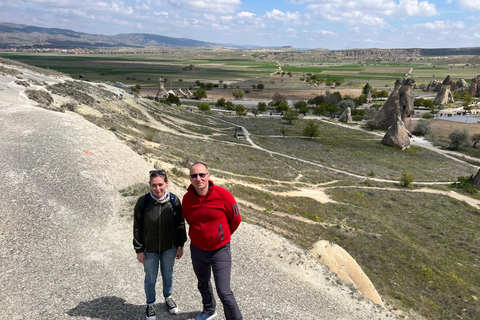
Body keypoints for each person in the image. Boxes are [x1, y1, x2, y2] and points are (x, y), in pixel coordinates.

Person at [182, 162, 243, 320]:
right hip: (197, 250)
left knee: (224, 291)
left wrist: (222, 236)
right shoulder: (187, 199)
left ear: (208, 176)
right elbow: (189, 220)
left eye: (202, 174)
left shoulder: (223, 195)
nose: (198, 178)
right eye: (194, 175)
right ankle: (209, 310)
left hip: (219, 250)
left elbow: (236, 219)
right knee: (202, 283)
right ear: (190, 178)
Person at [133, 170, 187, 320]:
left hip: (169, 248)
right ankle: (150, 304)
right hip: (149, 249)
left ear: (167, 183)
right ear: (149, 185)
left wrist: (180, 245)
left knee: (168, 275)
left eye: (161, 185)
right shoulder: (143, 202)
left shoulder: (174, 201)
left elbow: (180, 225)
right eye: (154, 185)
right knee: (150, 278)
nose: (158, 189)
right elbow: (137, 227)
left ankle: (168, 297)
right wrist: (139, 249)